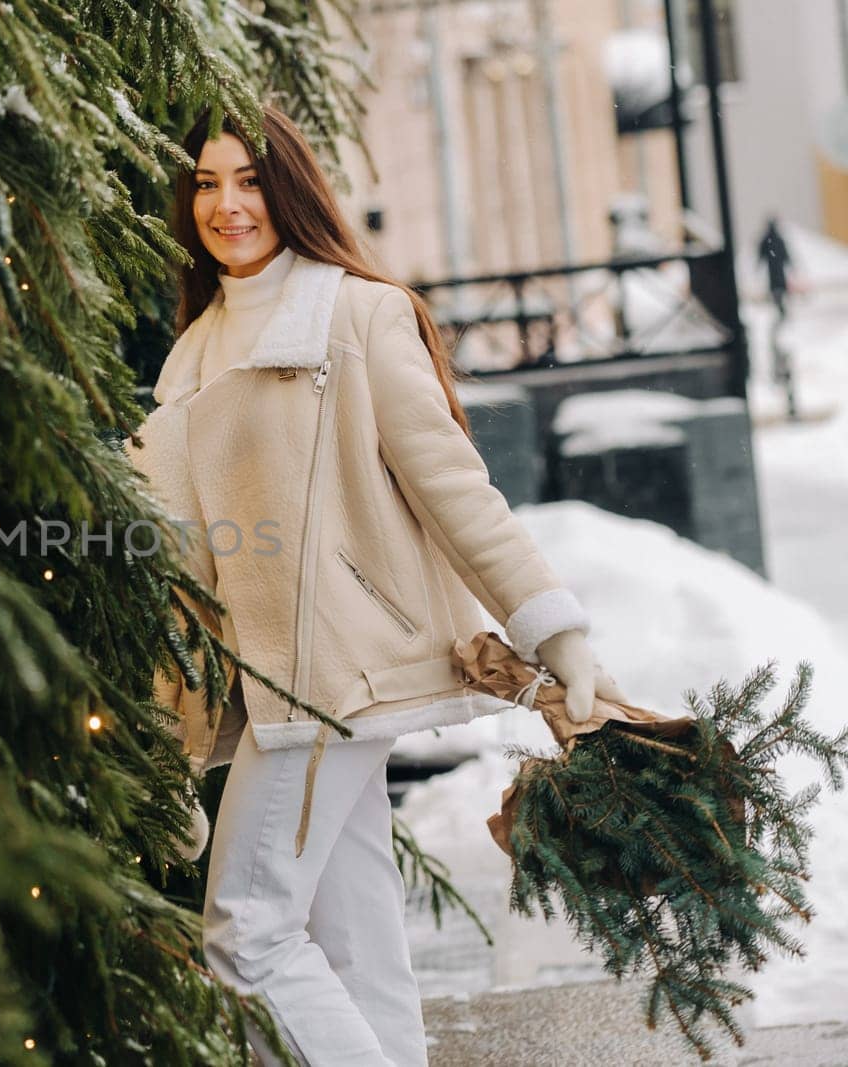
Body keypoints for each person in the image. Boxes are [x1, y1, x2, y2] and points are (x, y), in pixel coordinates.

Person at [125, 106, 626, 1066]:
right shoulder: (197, 343)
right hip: (268, 678)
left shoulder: (354, 313)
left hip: (338, 674)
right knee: (356, 941)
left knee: (246, 932)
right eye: (204, 183)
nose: (226, 204)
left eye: (248, 180)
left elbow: (451, 483)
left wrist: (550, 622)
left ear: (293, 191)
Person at [756, 215, 794, 322]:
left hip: (773, 271)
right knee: (779, 289)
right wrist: (790, 264)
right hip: (777, 271)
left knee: (777, 289)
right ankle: (781, 310)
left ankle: (781, 309)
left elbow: (761, 255)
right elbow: (786, 255)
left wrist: (757, 266)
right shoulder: (777, 240)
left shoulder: (767, 240)